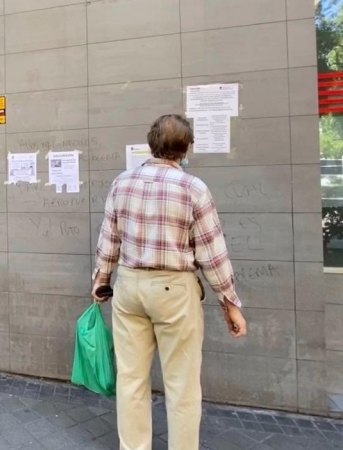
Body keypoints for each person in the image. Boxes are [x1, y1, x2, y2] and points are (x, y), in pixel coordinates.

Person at [91, 114, 247, 450]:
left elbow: (109, 240)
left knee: (131, 379)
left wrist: (101, 280)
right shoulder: (193, 188)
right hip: (175, 290)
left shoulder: (122, 183)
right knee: (182, 384)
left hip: (129, 288)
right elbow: (212, 253)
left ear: (151, 143)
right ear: (186, 148)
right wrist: (230, 303)